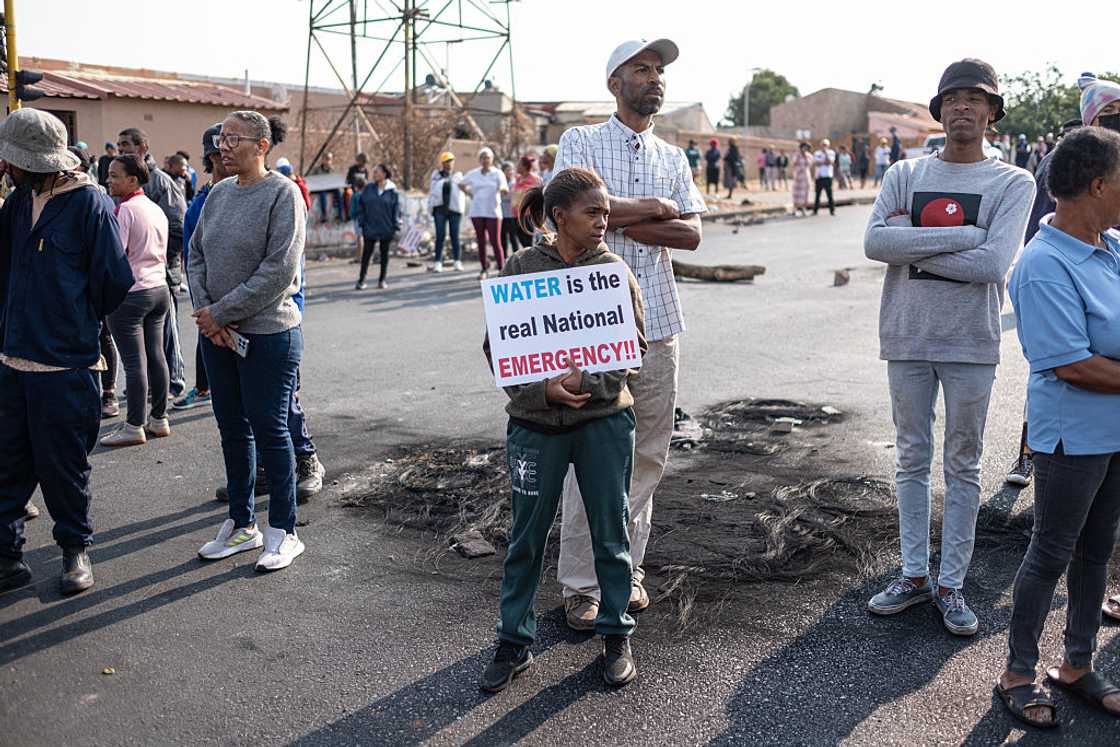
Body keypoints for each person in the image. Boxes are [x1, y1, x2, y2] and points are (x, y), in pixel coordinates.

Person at [863, 58, 1035, 636]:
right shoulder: (904, 173)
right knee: (911, 458)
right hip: (907, 335)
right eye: (953, 98)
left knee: (963, 464)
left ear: (991, 112)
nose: (963, 106)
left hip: (970, 343)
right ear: (940, 110)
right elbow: (874, 244)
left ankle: (951, 583)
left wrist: (909, 239)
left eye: (975, 98)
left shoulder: (1013, 182)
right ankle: (914, 574)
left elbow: (992, 265)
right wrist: (965, 235)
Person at [553, 37, 705, 630]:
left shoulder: (673, 155)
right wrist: (656, 207)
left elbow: (692, 236)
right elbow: (568, 211)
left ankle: (623, 570)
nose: (655, 78)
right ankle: (581, 585)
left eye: (659, 70)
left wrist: (622, 219)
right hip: (592, 324)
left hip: (659, 325)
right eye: (642, 69)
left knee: (648, 455)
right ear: (615, 83)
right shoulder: (581, 142)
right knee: (589, 457)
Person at [480, 167, 646, 692]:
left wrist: (589, 383)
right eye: (592, 212)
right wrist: (543, 391)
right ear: (559, 216)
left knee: (611, 533)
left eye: (606, 213)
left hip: (604, 425)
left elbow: (634, 346)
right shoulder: (521, 267)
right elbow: (499, 348)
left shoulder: (613, 270)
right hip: (536, 427)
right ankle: (513, 641)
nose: (603, 222)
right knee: (525, 539)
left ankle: (616, 635)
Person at [996, 126, 1120, 729]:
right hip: (1073, 436)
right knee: (1051, 552)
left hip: (1115, 431)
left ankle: (1076, 665)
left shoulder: (1112, 247)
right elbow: (1073, 364)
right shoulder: (1043, 264)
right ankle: (1018, 674)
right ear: (1096, 185)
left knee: (1097, 551)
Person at [0, 108, 134, 595]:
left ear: (35, 162)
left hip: (65, 366)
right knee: (7, 465)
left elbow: (113, 281)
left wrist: (71, 318)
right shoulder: (19, 202)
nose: (6, 167)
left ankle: (75, 549)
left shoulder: (88, 204)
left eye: (12, 162)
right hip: (12, 360)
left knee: (63, 467)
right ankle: (7, 556)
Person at [188, 110, 307, 572]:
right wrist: (208, 315)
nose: (223, 146)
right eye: (221, 138)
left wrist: (220, 312)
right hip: (217, 336)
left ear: (262, 145)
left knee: (271, 430)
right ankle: (241, 524)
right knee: (232, 429)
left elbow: (279, 270)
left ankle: (283, 531)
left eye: (233, 138)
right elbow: (195, 255)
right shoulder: (219, 194)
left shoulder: (283, 194)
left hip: (268, 335)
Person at [1006, 73, 1120, 488]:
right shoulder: (1066, 161)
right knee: (1057, 357)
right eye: (1109, 114)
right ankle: (1028, 454)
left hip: (1103, 255)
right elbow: (1046, 220)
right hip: (1069, 269)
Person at [99, 154, 172, 447]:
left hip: (132, 294)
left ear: (132, 180)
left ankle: (133, 426)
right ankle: (159, 418)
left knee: (134, 363)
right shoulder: (155, 209)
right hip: (159, 289)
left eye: (114, 176)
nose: (108, 180)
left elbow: (115, 256)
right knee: (156, 356)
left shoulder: (125, 210)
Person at [116, 128, 187, 400]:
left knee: (166, 337)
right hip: (134, 279)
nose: (121, 149)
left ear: (142, 148)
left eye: (126, 144)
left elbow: (177, 226)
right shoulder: (121, 182)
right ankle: (145, 386)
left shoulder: (160, 181)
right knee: (141, 341)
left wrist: (158, 256)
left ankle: (173, 383)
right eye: (119, 145)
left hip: (160, 274)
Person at [174, 123, 228, 412]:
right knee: (231, 416)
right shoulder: (199, 205)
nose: (228, 157)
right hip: (214, 313)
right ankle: (204, 388)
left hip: (261, 319)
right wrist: (206, 312)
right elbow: (193, 263)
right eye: (221, 153)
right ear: (211, 157)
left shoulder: (269, 194)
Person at [459, 147, 508, 279]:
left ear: (491, 159)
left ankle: (502, 269)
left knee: (495, 241)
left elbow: (504, 187)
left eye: (488, 158)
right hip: (477, 211)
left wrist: (502, 190)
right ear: (479, 160)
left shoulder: (497, 173)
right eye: (483, 158)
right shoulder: (473, 173)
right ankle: (484, 268)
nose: (485, 160)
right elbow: (461, 184)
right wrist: (469, 193)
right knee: (480, 240)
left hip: (493, 211)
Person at [353, 163, 400, 290]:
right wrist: (362, 222)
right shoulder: (369, 189)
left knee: (384, 254)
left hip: (386, 227)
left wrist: (396, 226)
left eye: (377, 172)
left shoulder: (392, 191)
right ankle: (361, 280)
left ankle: (382, 280)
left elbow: (396, 210)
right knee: (367, 254)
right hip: (370, 226)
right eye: (374, 172)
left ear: (384, 174)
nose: (374, 174)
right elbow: (361, 206)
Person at [428, 151, 464, 272]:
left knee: (455, 236)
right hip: (440, 210)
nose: (448, 164)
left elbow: (463, 190)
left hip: (454, 210)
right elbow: (433, 192)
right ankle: (438, 262)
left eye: (450, 161)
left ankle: (457, 261)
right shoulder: (436, 176)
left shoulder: (458, 176)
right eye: (446, 162)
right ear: (442, 163)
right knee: (440, 236)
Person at [510, 154, 542, 247]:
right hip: (515, 214)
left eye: (519, 164)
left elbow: (538, 196)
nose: (516, 166)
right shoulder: (518, 179)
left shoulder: (535, 179)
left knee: (529, 242)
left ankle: (532, 256)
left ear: (524, 166)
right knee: (522, 241)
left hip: (527, 215)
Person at [313, 151, 342, 223]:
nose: (328, 161)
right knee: (322, 195)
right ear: (323, 160)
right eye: (326, 159)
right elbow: (312, 180)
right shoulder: (317, 170)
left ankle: (339, 214)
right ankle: (324, 215)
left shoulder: (333, 170)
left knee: (339, 193)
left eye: (330, 159)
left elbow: (336, 180)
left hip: (331, 187)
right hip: (321, 188)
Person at [499, 161, 520, 257]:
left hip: (512, 214)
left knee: (513, 237)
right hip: (501, 213)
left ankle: (516, 257)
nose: (510, 172)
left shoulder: (516, 182)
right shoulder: (500, 182)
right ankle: (504, 258)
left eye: (511, 170)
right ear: (503, 171)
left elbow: (513, 196)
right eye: (508, 170)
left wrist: (505, 195)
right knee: (502, 237)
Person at [812, 138, 837, 215]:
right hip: (819, 176)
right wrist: (823, 162)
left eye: (825, 145)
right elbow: (816, 163)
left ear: (828, 146)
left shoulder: (831, 152)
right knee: (817, 194)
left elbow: (830, 162)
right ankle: (815, 210)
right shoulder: (817, 153)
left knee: (829, 194)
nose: (824, 146)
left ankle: (832, 210)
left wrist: (825, 154)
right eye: (822, 145)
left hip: (827, 176)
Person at [791, 141, 813, 216]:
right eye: (804, 147)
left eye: (806, 148)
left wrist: (805, 157)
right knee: (796, 193)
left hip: (805, 176)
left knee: (805, 193)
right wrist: (799, 157)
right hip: (798, 176)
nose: (805, 149)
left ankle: (803, 209)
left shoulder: (809, 156)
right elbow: (793, 163)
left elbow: (809, 164)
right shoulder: (796, 155)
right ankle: (794, 209)